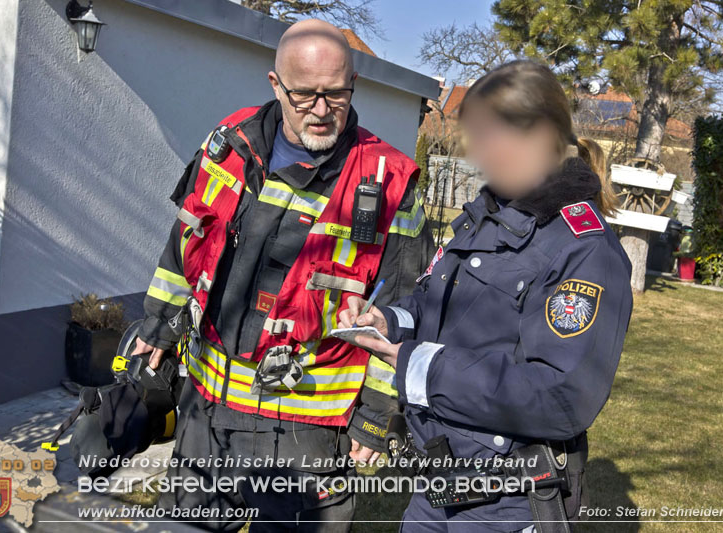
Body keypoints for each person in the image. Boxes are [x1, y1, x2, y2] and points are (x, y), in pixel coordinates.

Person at [131, 18, 435, 532]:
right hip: (206, 408)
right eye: (306, 95)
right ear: (276, 85)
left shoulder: (389, 183)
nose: (321, 111)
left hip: (306, 430)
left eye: (336, 95)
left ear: (353, 85)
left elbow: (405, 311)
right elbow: (187, 241)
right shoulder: (229, 144)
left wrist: (378, 413)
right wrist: (158, 325)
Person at [338, 60, 633, 532]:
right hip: (437, 482)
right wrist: (388, 322)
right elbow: (436, 301)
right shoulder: (489, 214)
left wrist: (419, 364)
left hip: (508, 502)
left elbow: (559, 396)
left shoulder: (584, 248)